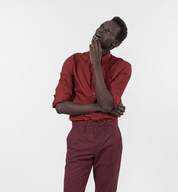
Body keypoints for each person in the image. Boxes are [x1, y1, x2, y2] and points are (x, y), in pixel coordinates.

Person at [52, 16, 131, 192]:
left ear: (115, 43)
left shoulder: (122, 67)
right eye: (102, 27)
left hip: (109, 136)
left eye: (108, 31)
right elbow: (61, 106)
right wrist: (104, 108)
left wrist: (96, 64)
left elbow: (107, 104)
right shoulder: (73, 62)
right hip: (79, 136)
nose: (101, 30)